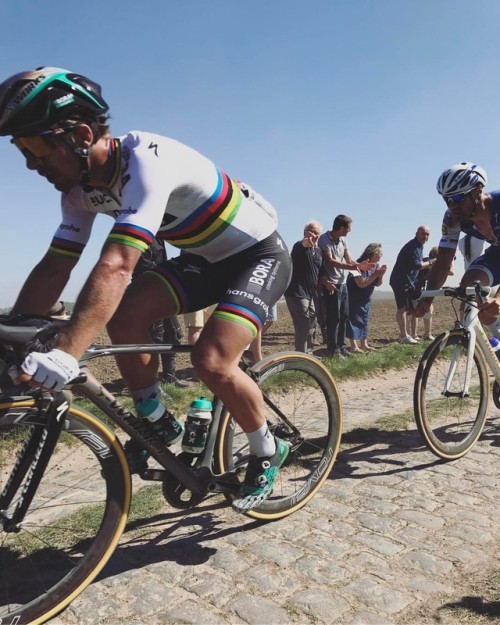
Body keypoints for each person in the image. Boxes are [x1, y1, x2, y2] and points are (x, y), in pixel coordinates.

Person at [0, 66, 292, 513]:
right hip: (204, 260)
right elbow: (56, 265)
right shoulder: (79, 192)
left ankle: (267, 449)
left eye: (37, 147)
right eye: (21, 150)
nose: (30, 164)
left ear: (80, 134)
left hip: (258, 256)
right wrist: (18, 332)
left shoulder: (147, 160)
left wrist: (66, 352)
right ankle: (156, 422)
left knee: (211, 360)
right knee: (124, 316)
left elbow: (118, 264)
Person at [415, 162, 500, 334]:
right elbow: (443, 261)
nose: (452, 205)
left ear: (477, 190)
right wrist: (427, 299)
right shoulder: (452, 219)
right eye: (447, 199)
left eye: (458, 198)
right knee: (476, 296)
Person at [133, 237, 188, 388]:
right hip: (148, 292)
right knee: (154, 339)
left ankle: (170, 377)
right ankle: (152, 383)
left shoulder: (159, 237)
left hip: (164, 291)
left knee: (172, 334)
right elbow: (144, 268)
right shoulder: (142, 237)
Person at [318, 214, 374, 358]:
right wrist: (351, 267)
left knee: (344, 316)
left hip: (343, 283)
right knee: (333, 317)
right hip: (331, 283)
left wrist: (359, 266)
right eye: (348, 228)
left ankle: (342, 347)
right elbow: (330, 261)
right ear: (342, 227)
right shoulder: (324, 239)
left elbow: (349, 259)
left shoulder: (343, 241)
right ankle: (333, 349)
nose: (349, 231)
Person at [389, 225, 433, 344]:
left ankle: (405, 335)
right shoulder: (414, 246)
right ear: (417, 233)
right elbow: (416, 265)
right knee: (402, 308)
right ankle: (403, 336)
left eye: (427, 234)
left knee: (407, 309)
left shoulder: (418, 246)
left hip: (406, 281)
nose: (425, 236)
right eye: (423, 233)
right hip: (400, 281)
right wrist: (431, 263)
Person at [284, 220, 323, 353]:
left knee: (312, 321)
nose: (312, 234)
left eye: (316, 232)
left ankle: (309, 353)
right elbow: (304, 244)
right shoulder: (299, 246)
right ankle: (301, 355)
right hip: (297, 293)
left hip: (310, 294)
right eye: (310, 230)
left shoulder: (318, 251)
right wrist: (306, 242)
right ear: (304, 232)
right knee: (303, 323)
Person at [346, 243, 387, 352]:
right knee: (353, 321)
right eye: (379, 253)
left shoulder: (376, 265)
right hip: (354, 297)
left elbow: (378, 284)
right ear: (372, 252)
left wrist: (380, 274)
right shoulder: (356, 265)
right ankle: (354, 346)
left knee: (364, 321)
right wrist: (375, 274)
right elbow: (361, 283)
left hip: (366, 298)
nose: (381, 255)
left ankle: (364, 344)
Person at [410, 246, 454, 341]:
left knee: (428, 309)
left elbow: (450, 272)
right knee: (415, 312)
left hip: (425, 290)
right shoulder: (427, 261)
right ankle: (414, 334)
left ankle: (427, 334)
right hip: (417, 289)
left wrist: (450, 262)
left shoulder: (435, 263)